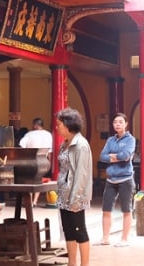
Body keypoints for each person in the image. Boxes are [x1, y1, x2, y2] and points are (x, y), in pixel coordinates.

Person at [55, 107, 92, 266]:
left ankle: (84, 264)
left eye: (59, 124)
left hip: (75, 194)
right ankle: (72, 263)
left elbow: (81, 175)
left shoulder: (81, 145)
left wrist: (75, 199)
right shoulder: (65, 144)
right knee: (68, 231)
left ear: (68, 124)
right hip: (64, 193)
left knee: (80, 231)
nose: (57, 127)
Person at [96, 113, 136, 247]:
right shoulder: (110, 140)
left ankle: (124, 239)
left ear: (126, 124)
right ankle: (105, 238)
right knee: (106, 210)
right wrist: (117, 157)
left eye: (120, 122)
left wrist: (112, 156)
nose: (117, 124)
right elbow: (102, 156)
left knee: (126, 209)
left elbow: (126, 155)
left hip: (126, 178)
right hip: (111, 179)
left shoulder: (130, 139)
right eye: (115, 122)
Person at [19, 117, 53, 206]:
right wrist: (51, 163)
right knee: (39, 180)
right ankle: (35, 201)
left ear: (35, 125)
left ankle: (29, 201)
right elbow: (50, 151)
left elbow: (21, 145)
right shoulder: (48, 135)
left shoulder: (29, 134)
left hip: (31, 160)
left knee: (29, 181)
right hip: (44, 161)